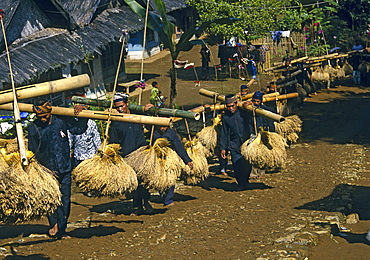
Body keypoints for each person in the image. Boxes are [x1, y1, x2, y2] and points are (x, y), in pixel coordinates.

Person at [28, 99, 88, 239]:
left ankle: (62, 228)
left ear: (50, 112)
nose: (42, 119)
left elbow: (78, 129)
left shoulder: (61, 121)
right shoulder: (34, 128)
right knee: (51, 199)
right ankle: (54, 224)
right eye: (39, 117)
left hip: (65, 167)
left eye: (45, 116)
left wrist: (83, 112)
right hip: (46, 170)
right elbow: (32, 150)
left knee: (65, 199)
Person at [109, 92, 153, 215]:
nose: (119, 109)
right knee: (133, 183)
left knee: (143, 181)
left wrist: (150, 109)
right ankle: (137, 206)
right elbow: (114, 142)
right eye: (117, 107)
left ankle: (147, 202)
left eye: (121, 106)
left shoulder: (138, 116)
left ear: (127, 104)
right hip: (127, 156)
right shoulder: (116, 122)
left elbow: (152, 123)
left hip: (141, 153)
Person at [153, 126, 194, 206]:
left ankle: (168, 200)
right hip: (156, 157)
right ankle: (162, 195)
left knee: (170, 178)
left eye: (164, 126)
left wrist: (187, 160)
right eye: (161, 126)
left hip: (169, 158)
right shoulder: (152, 133)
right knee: (159, 178)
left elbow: (179, 147)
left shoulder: (171, 133)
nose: (162, 128)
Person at [219, 95, 253, 191]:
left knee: (247, 163)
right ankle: (241, 183)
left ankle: (245, 181)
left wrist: (252, 104)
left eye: (232, 106)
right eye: (228, 106)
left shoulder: (244, 112)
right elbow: (224, 133)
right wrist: (223, 148)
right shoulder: (226, 118)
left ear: (236, 104)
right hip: (234, 144)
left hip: (246, 142)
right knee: (237, 164)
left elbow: (258, 112)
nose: (231, 108)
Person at [248, 91, 276, 179]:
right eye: (254, 101)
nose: (256, 103)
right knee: (253, 154)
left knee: (263, 153)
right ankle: (253, 173)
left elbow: (271, 120)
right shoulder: (249, 110)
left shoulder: (265, 110)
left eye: (258, 101)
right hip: (253, 134)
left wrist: (271, 132)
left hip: (263, 133)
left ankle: (261, 172)